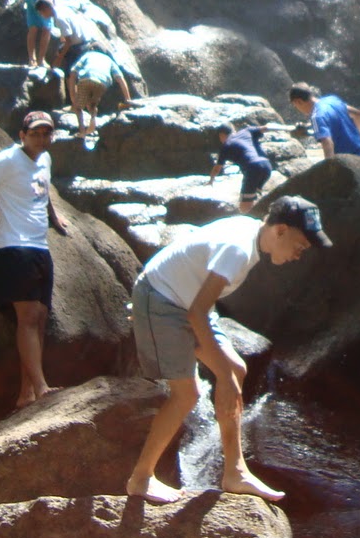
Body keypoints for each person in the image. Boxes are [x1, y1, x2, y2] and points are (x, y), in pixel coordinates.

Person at [125, 196, 330, 505]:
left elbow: (199, 310)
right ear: (281, 231)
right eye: (300, 246)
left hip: (185, 300)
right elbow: (196, 313)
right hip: (161, 299)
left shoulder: (250, 236)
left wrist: (225, 371)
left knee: (236, 370)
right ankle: (141, 478)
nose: (299, 255)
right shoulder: (237, 249)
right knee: (188, 394)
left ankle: (235, 472)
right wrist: (220, 371)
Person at [0, 110, 69, 408]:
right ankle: (42, 387)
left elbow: (42, 188)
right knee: (28, 318)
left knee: (41, 319)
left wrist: (54, 214)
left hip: (39, 248)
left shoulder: (45, 159)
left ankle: (27, 394)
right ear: (22, 135)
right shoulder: (8, 160)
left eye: (46, 133)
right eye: (35, 133)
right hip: (13, 248)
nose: (41, 138)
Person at [288, 82, 360, 161]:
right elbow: (357, 114)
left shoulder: (316, 118)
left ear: (298, 101)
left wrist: (329, 168)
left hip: (351, 162)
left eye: (295, 106)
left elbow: (327, 142)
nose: (297, 109)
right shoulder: (332, 100)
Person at [209, 123, 274, 212]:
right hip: (267, 165)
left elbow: (217, 168)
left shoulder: (226, 145)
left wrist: (211, 179)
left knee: (244, 207)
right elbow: (266, 127)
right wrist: (290, 128)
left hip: (253, 168)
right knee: (254, 194)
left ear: (221, 135)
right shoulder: (246, 131)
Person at [68, 47, 131, 138]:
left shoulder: (88, 55)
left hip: (86, 77)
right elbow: (120, 79)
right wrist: (128, 99)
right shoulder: (109, 59)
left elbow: (73, 72)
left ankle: (82, 132)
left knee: (78, 107)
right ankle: (93, 121)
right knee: (92, 104)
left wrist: (72, 95)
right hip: (103, 82)